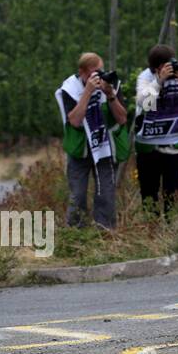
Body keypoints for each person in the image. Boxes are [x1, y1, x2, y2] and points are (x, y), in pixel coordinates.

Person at [55, 52, 128, 229]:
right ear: (82, 72)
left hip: (105, 146)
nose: (98, 76)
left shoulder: (112, 85)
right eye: (94, 73)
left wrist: (110, 94)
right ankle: (75, 234)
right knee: (77, 195)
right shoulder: (69, 88)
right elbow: (74, 120)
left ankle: (105, 233)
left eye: (100, 71)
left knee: (106, 194)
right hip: (80, 149)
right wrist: (87, 92)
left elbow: (122, 118)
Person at [133, 44, 178, 217]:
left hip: (176, 143)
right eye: (165, 66)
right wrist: (158, 82)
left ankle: (171, 229)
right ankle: (152, 229)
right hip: (149, 145)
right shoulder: (145, 77)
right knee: (149, 191)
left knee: (173, 190)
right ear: (156, 68)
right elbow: (145, 104)